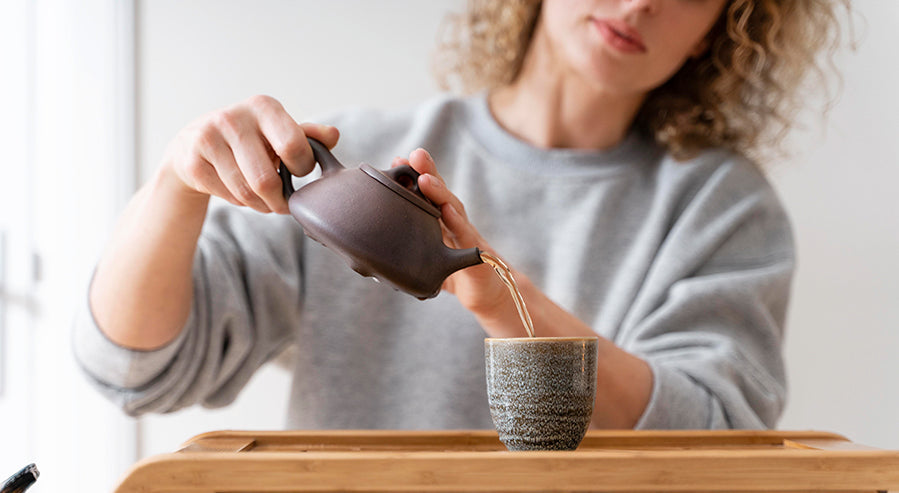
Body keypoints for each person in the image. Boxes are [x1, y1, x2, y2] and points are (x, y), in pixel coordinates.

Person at [74, 0, 846, 430]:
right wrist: (176, 184)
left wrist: (492, 288)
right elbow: (133, 370)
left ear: (722, 24)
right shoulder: (360, 155)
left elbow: (714, 438)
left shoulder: (718, 207)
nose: (640, 1)